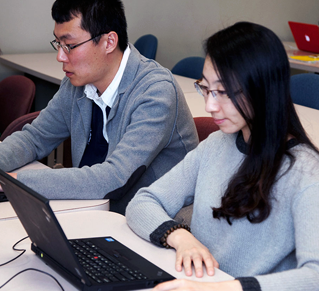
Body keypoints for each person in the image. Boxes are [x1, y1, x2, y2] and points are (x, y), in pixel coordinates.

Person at [126, 21, 319, 291]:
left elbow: (315, 282)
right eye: (205, 88)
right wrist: (181, 237)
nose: (210, 106)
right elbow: (143, 202)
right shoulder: (216, 145)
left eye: (224, 92)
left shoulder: (307, 174)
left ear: (263, 88)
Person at [0, 0, 198, 215]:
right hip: (94, 211)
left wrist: (15, 182)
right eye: (58, 44)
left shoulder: (156, 92)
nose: (60, 56)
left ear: (109, 42)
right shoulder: (77, 83)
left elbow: (113, 178)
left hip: (153, 226)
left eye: (70, 46)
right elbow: (35, 137)